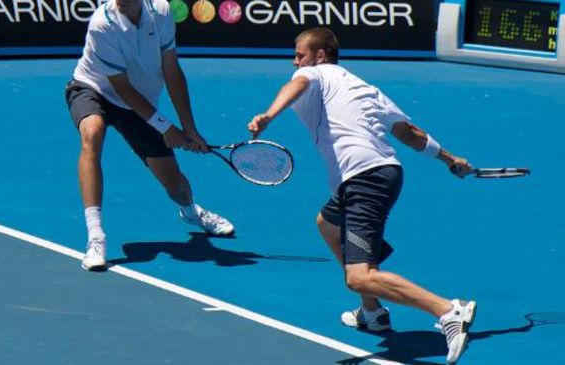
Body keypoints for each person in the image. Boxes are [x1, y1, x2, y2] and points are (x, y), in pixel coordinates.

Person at [247, 27, 477, 364]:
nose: (294, 61)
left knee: (359, 276)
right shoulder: (366, 89)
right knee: (327, 224)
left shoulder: (313, 73)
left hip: (363, 180)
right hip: (386, 173)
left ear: (320, 56)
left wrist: (268, 115)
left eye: (300, 55)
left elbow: (297, 84)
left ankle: (448, 310)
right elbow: (410, 134)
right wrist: (449, 159)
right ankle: (372, 312)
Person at [65, 0, 234, 271]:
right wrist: (166, 127)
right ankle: (96, 237)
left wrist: (189, 129)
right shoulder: (102, 24)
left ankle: (191, 212)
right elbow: (122, 89)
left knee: (175, 186)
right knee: (92, 132)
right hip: (93, 87)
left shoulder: (162, 11)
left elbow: (171, 70)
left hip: (137, 100)